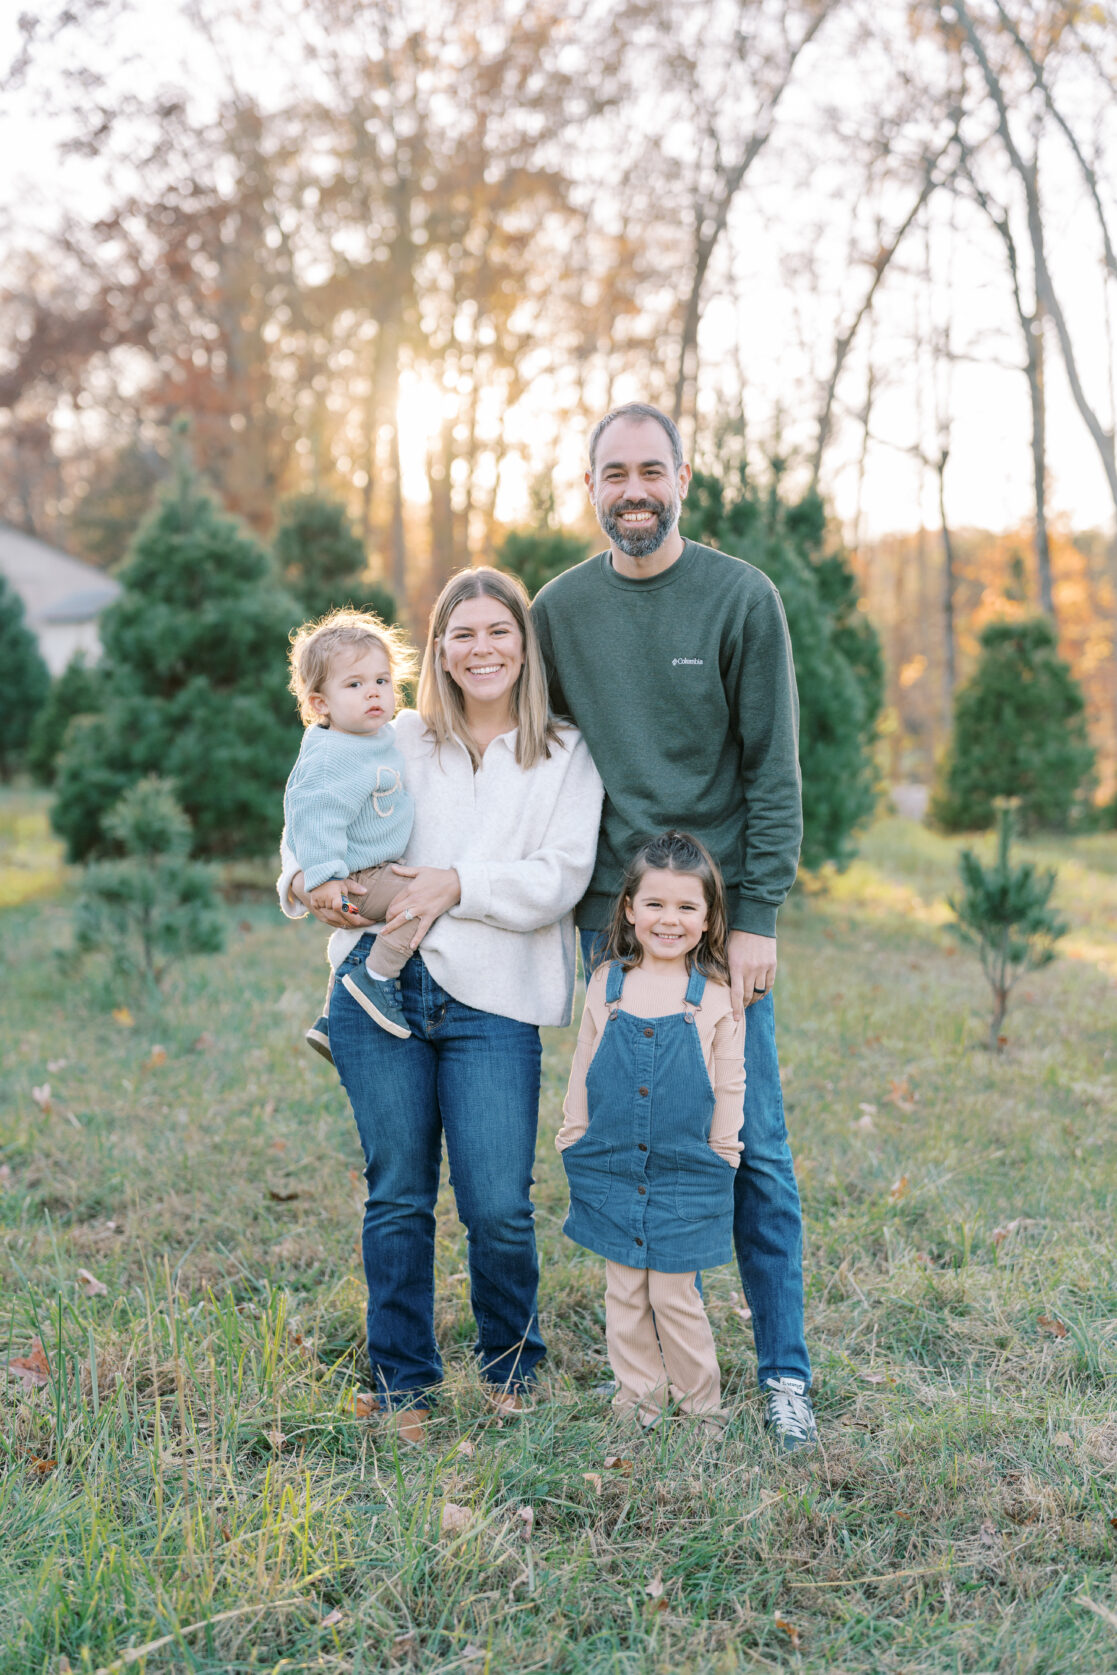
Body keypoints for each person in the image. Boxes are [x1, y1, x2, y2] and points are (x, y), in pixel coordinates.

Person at [532, 401, 816, 1453]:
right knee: (624, 1139)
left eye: (651, 470)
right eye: (614, 473)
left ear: (683, 480)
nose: (633, 490)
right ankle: (641, 1367)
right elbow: (519, 744)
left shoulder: (740, 597)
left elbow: (772, 767)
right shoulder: (559, 610)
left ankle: (783, 1372)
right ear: (590, 487)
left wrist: (758, 916)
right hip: (610, 929)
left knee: (750, 1144)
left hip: (712, 929)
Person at [277, 567, 603, 1444]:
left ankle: (511, 1364)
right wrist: (304, 883)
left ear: (524, 645)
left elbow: (560, 876)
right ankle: (403, 1382)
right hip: (379, 991)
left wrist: (457, 881)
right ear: (439, 648)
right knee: (397, 1194)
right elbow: (312, 813)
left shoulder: (564, 751)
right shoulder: (399, 733)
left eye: (498, 630)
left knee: (496, 1202)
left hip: (494, 999)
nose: (480, 648)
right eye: (462, 633)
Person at [556, 831, 742, 1431]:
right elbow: (584, 1062)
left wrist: (725, 1151)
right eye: (655, 904)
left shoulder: (713, 996)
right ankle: (638, 1403)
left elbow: (730, 1080)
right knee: (626, 1292)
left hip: (685, 1168)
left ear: (708, 918)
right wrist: (573, 1132)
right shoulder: (607, 983)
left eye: (686, 907)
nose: (669, 919)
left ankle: (701, 1407)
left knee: (672, 1295)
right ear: (630, 909)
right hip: (612, 1159)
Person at [284, 609, 420, 1047]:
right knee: (419, 901)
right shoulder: (332, 754)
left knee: (381, 921)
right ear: (320, 704)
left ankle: (332, 1018)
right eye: (354, 684)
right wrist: (323, 877)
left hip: (370, 870)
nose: (373, 692)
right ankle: (377, 977)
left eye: (382, 680)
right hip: (355, 878)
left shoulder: (373, 738)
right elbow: (313, 814)